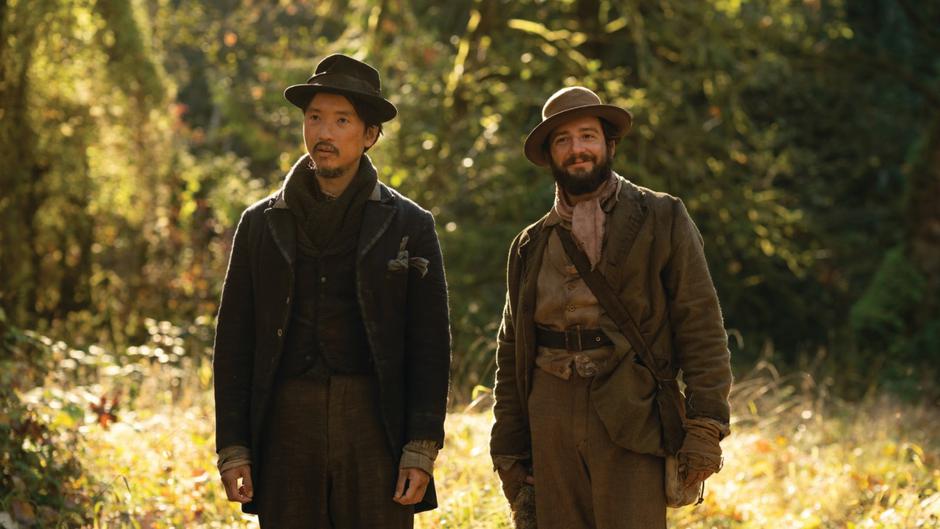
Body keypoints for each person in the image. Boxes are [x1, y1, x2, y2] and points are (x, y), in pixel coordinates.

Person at [212, 54, 451, 528]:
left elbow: (430, 344)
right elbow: (234, 340)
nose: (324, 133)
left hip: (375, 421)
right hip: (285, 422)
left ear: (370, 135)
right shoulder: (260, 223)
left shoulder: (410, 224)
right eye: (315, 118)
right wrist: (233, 447)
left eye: (342, 120)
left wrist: (421, 447)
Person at [490, 86, 733, 529]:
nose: (576, 149)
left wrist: (705, 427)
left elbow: (700, 325)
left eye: (587, 135)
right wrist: (507, 444)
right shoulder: (530, 243)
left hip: (633, 410)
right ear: (550, 155)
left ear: (609, 144)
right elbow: (511, 351)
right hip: (549, 418)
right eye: (562, 140)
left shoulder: (663, 217)